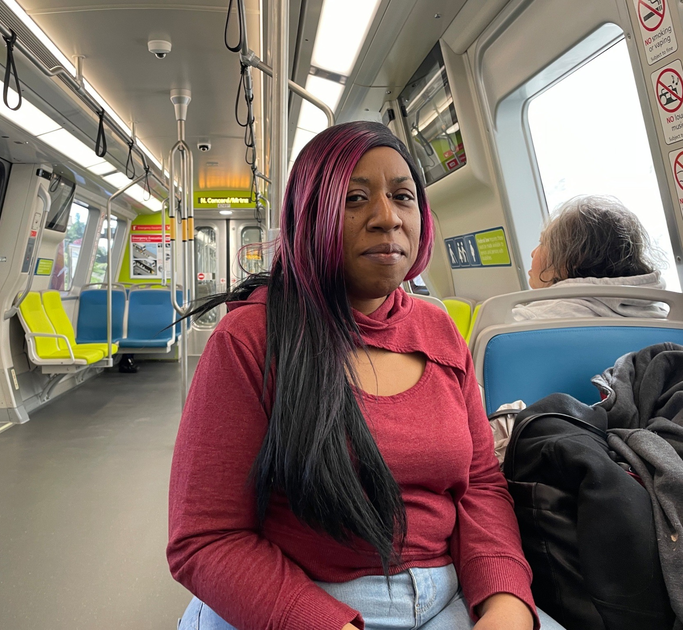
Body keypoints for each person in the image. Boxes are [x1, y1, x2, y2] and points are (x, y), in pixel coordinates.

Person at [167, 122, 562, 630]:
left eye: (403, 196)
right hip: (298, 605)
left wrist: (505, 600)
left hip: (449, 596)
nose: (386, 218)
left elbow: (480, 486)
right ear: (311, 217)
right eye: (354, 199)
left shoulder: (438, 330)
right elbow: (206, 538)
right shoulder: (251, 341)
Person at [514, 195, 668, 320]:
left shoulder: (523, 322)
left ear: (573, 260)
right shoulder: (666, 317)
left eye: (542, 242)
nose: (533, 252)